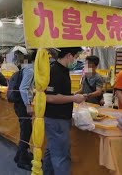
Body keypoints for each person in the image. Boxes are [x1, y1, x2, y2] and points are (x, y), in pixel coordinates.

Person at [43, 47, 86, 175]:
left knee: (52, 152)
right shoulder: (55, 71)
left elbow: (59, 94)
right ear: (69, 55)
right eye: (76, 56)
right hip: (56, 119)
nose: (77, 60)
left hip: (59, 118)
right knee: (61, 156)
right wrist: (73, 98)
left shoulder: (62, 70)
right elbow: (49, 97)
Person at [13, 49, 36, 170]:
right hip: (23, 105)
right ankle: (21, 160)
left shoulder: (24, 68)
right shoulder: (30, 70)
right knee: (26, 132)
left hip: (19, 104)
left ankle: (19, 156)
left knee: (25, 131)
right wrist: (28, 104)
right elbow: (23, 88)